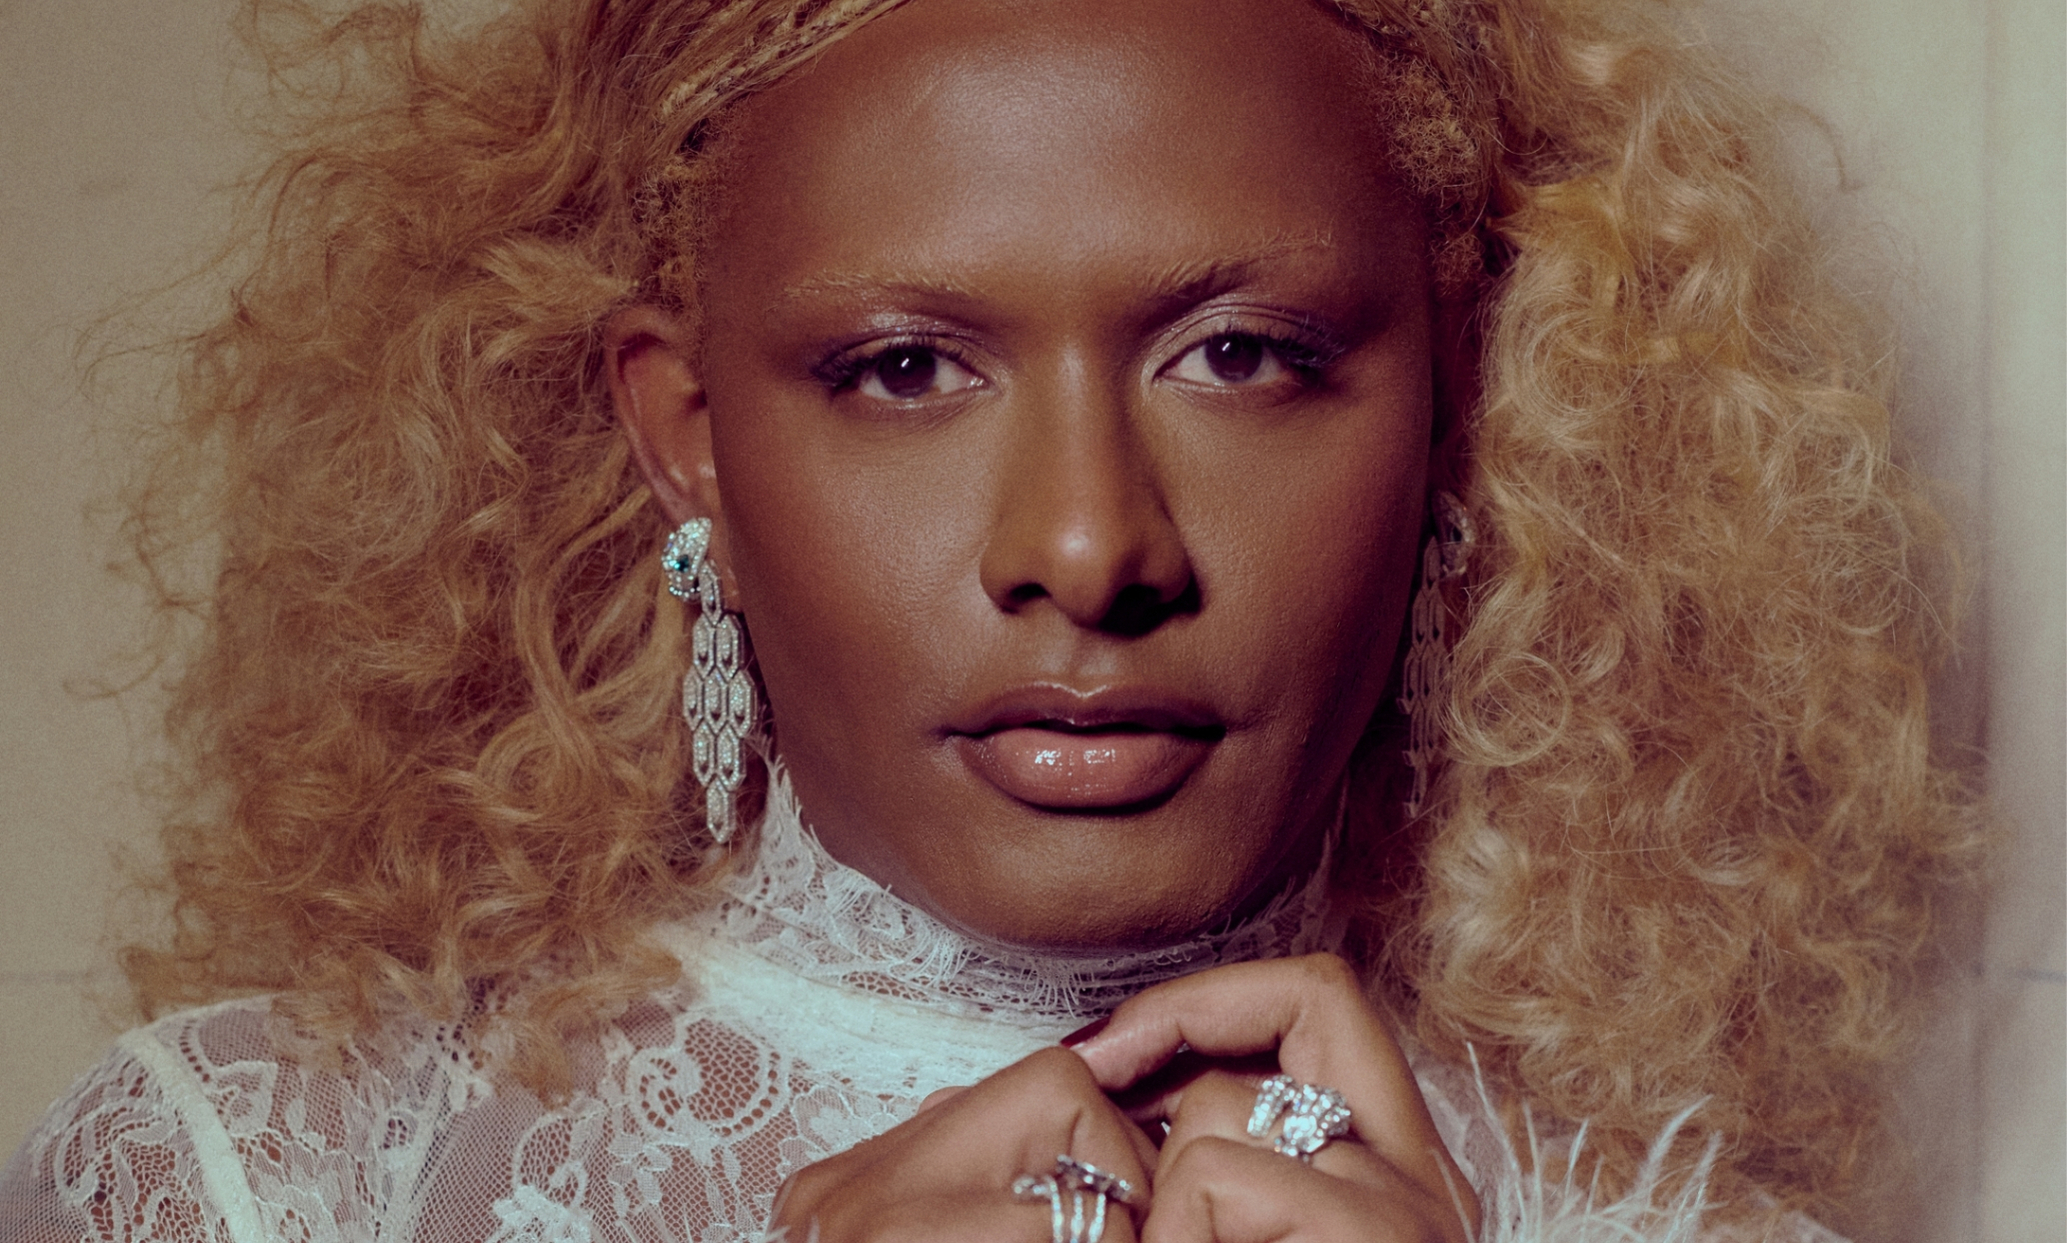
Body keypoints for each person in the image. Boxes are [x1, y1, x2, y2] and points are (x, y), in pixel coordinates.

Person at [0, 0, 1980, 1240]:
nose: (1088, 545)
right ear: (690, 442)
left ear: (1454, 411)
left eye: (1243, 354)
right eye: (904, 370)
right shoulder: (244, 1181)